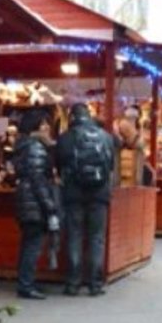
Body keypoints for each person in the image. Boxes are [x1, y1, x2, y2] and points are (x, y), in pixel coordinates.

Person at [55, 103, 115, 297]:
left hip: (74, 194)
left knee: (75, 235)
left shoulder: (65, 138)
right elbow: (111, 165)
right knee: (97, 238)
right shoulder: (106, 137)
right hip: (99, 194)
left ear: (72, 117)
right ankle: (95, 284)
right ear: (89, 116)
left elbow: (58, 165)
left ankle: (73, 283)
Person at [13, 110, 59, 300]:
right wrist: (50, 207)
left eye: (47, 123)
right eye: (42, 124)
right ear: (34, 126)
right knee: (33, 245)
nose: (47, 127)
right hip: (34, 202)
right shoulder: (36, 148)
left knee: (28, 243)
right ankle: (26, 285)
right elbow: (38, 180)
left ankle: (25, 281)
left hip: (26, 200)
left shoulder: (24, 145)